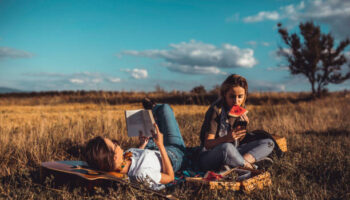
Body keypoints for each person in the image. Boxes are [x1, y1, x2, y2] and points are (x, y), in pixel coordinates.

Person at [85, 104, 186, 190]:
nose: (118, 144)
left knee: (149, 121)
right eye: (114, 143)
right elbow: (170, 177)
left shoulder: (123, 161)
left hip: (149, 148)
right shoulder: (141, 174)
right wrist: (160, 145)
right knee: (165, 109)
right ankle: (155, 107)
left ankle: (153, 110)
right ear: (114, 157)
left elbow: (137, 162)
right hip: (171, 155)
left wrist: (142, 144)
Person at [198, 74, 277, 171]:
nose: (236, 101)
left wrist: (244, 126)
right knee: (226, 147)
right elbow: (207, 144)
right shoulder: (215, 111)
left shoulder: (241, 108)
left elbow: (239, 141)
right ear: (224, 95)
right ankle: (252, 167)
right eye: (232, 96)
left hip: (234, 151)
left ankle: (234, 165)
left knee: (269, 143)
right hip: (209, 156)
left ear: (245, 96)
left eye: (240, 96)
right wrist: (226, 138)